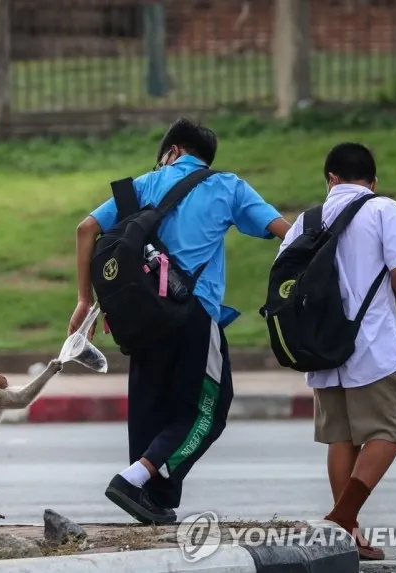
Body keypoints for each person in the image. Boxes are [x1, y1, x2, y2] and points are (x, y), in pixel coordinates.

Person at [68, 117, 291, 524]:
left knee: (150, 406)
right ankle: (133, 479)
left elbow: (86, 230)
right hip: (194, 312)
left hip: (140, 319)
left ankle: (153, 500)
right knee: (209, 407)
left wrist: (84, 300)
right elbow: (284, 232)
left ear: (171, 152)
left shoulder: (139, 186)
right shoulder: (227, 186)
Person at [275, 142, 396, 560]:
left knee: (341, 438)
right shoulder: (382, 209)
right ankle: (342, 519)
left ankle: (347, 537)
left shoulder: (305, 221)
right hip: (371, 344)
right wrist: (383, 301)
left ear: (330, 180)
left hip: (321, 346)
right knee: (392, 425)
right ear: (372, 181)